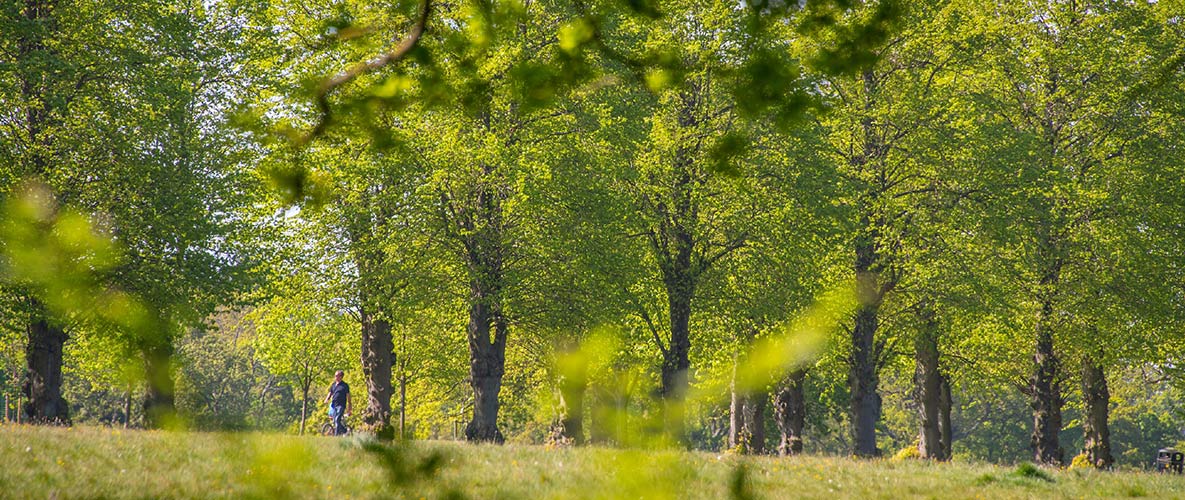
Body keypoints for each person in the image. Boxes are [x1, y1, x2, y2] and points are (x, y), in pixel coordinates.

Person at [323, 370, 351, 435]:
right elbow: (330, 393)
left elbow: (348, 396)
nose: (335, 377)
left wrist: (349, 406)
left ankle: (336, 435)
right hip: (333, 405)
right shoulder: (333, 385)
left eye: (337, 376)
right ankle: (344, 430)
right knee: (334, 420)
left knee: (337, 419)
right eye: (335, 376)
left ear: (341, 377)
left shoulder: (344, 385)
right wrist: (327, 399)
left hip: (341, 405)